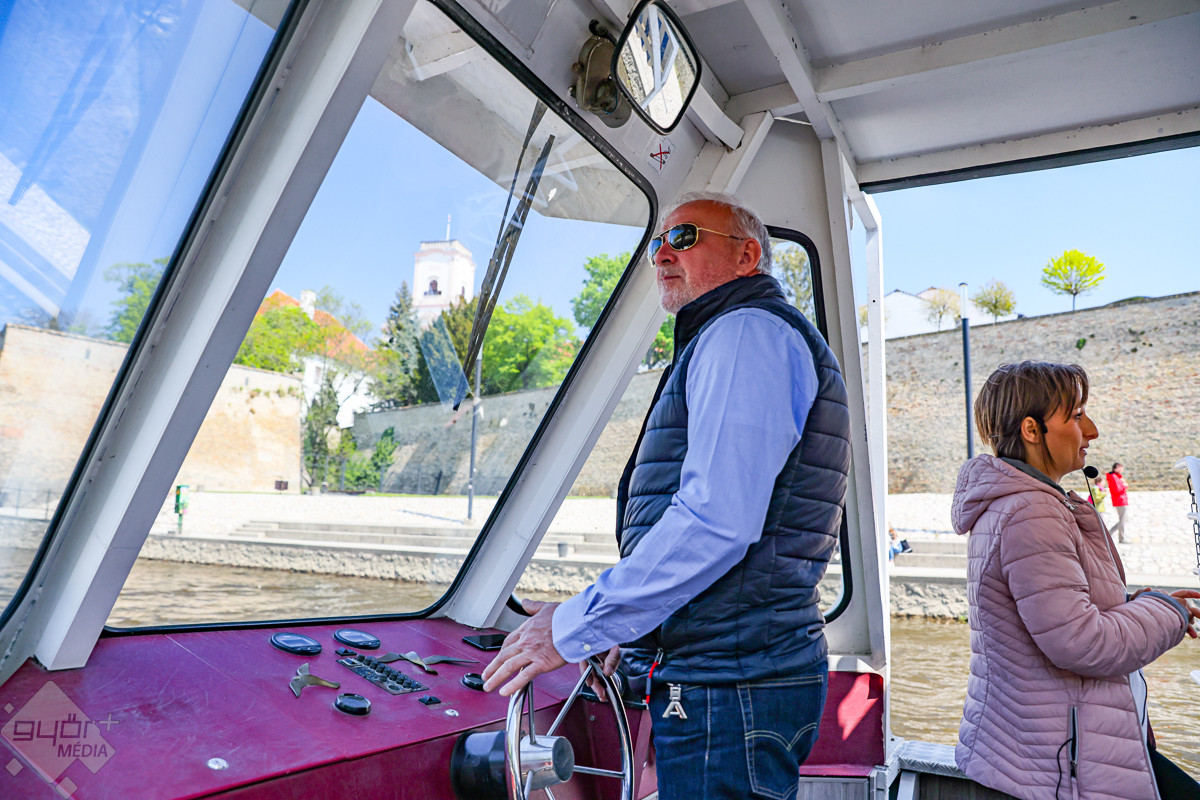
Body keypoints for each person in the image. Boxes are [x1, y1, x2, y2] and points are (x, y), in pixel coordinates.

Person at [481, 191, 852, 799]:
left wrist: (572, 627)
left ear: (747, 256)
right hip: (733, 670)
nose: (661, 255)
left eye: (684, 238)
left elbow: (714, 522)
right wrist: (629, 629)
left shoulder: (746, 332)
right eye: (658, 243)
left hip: (729, 682)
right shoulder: (733, 335)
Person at [953, 361, 1200, 800]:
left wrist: (1142, 603)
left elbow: (1063, 609)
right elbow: (1081, 641)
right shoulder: (1033, 512)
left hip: (1045, 754)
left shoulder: (1020, 504)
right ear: (1032, 430)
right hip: (1063, 768)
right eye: (1077, 416)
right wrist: (1169, 614)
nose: (1092, 431)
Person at [1108, 461, 1130, 542]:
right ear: (1115, 468)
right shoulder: (1113, 477)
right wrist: (1124, 485)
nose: (1121, 469)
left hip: (1121, 500)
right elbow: (1117, 489)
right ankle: (1121, 538)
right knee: (1122, 520)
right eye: (1120, 467)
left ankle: (1109, 533)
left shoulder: (1117, 477)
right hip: (1120, 501)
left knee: (1124, 519)